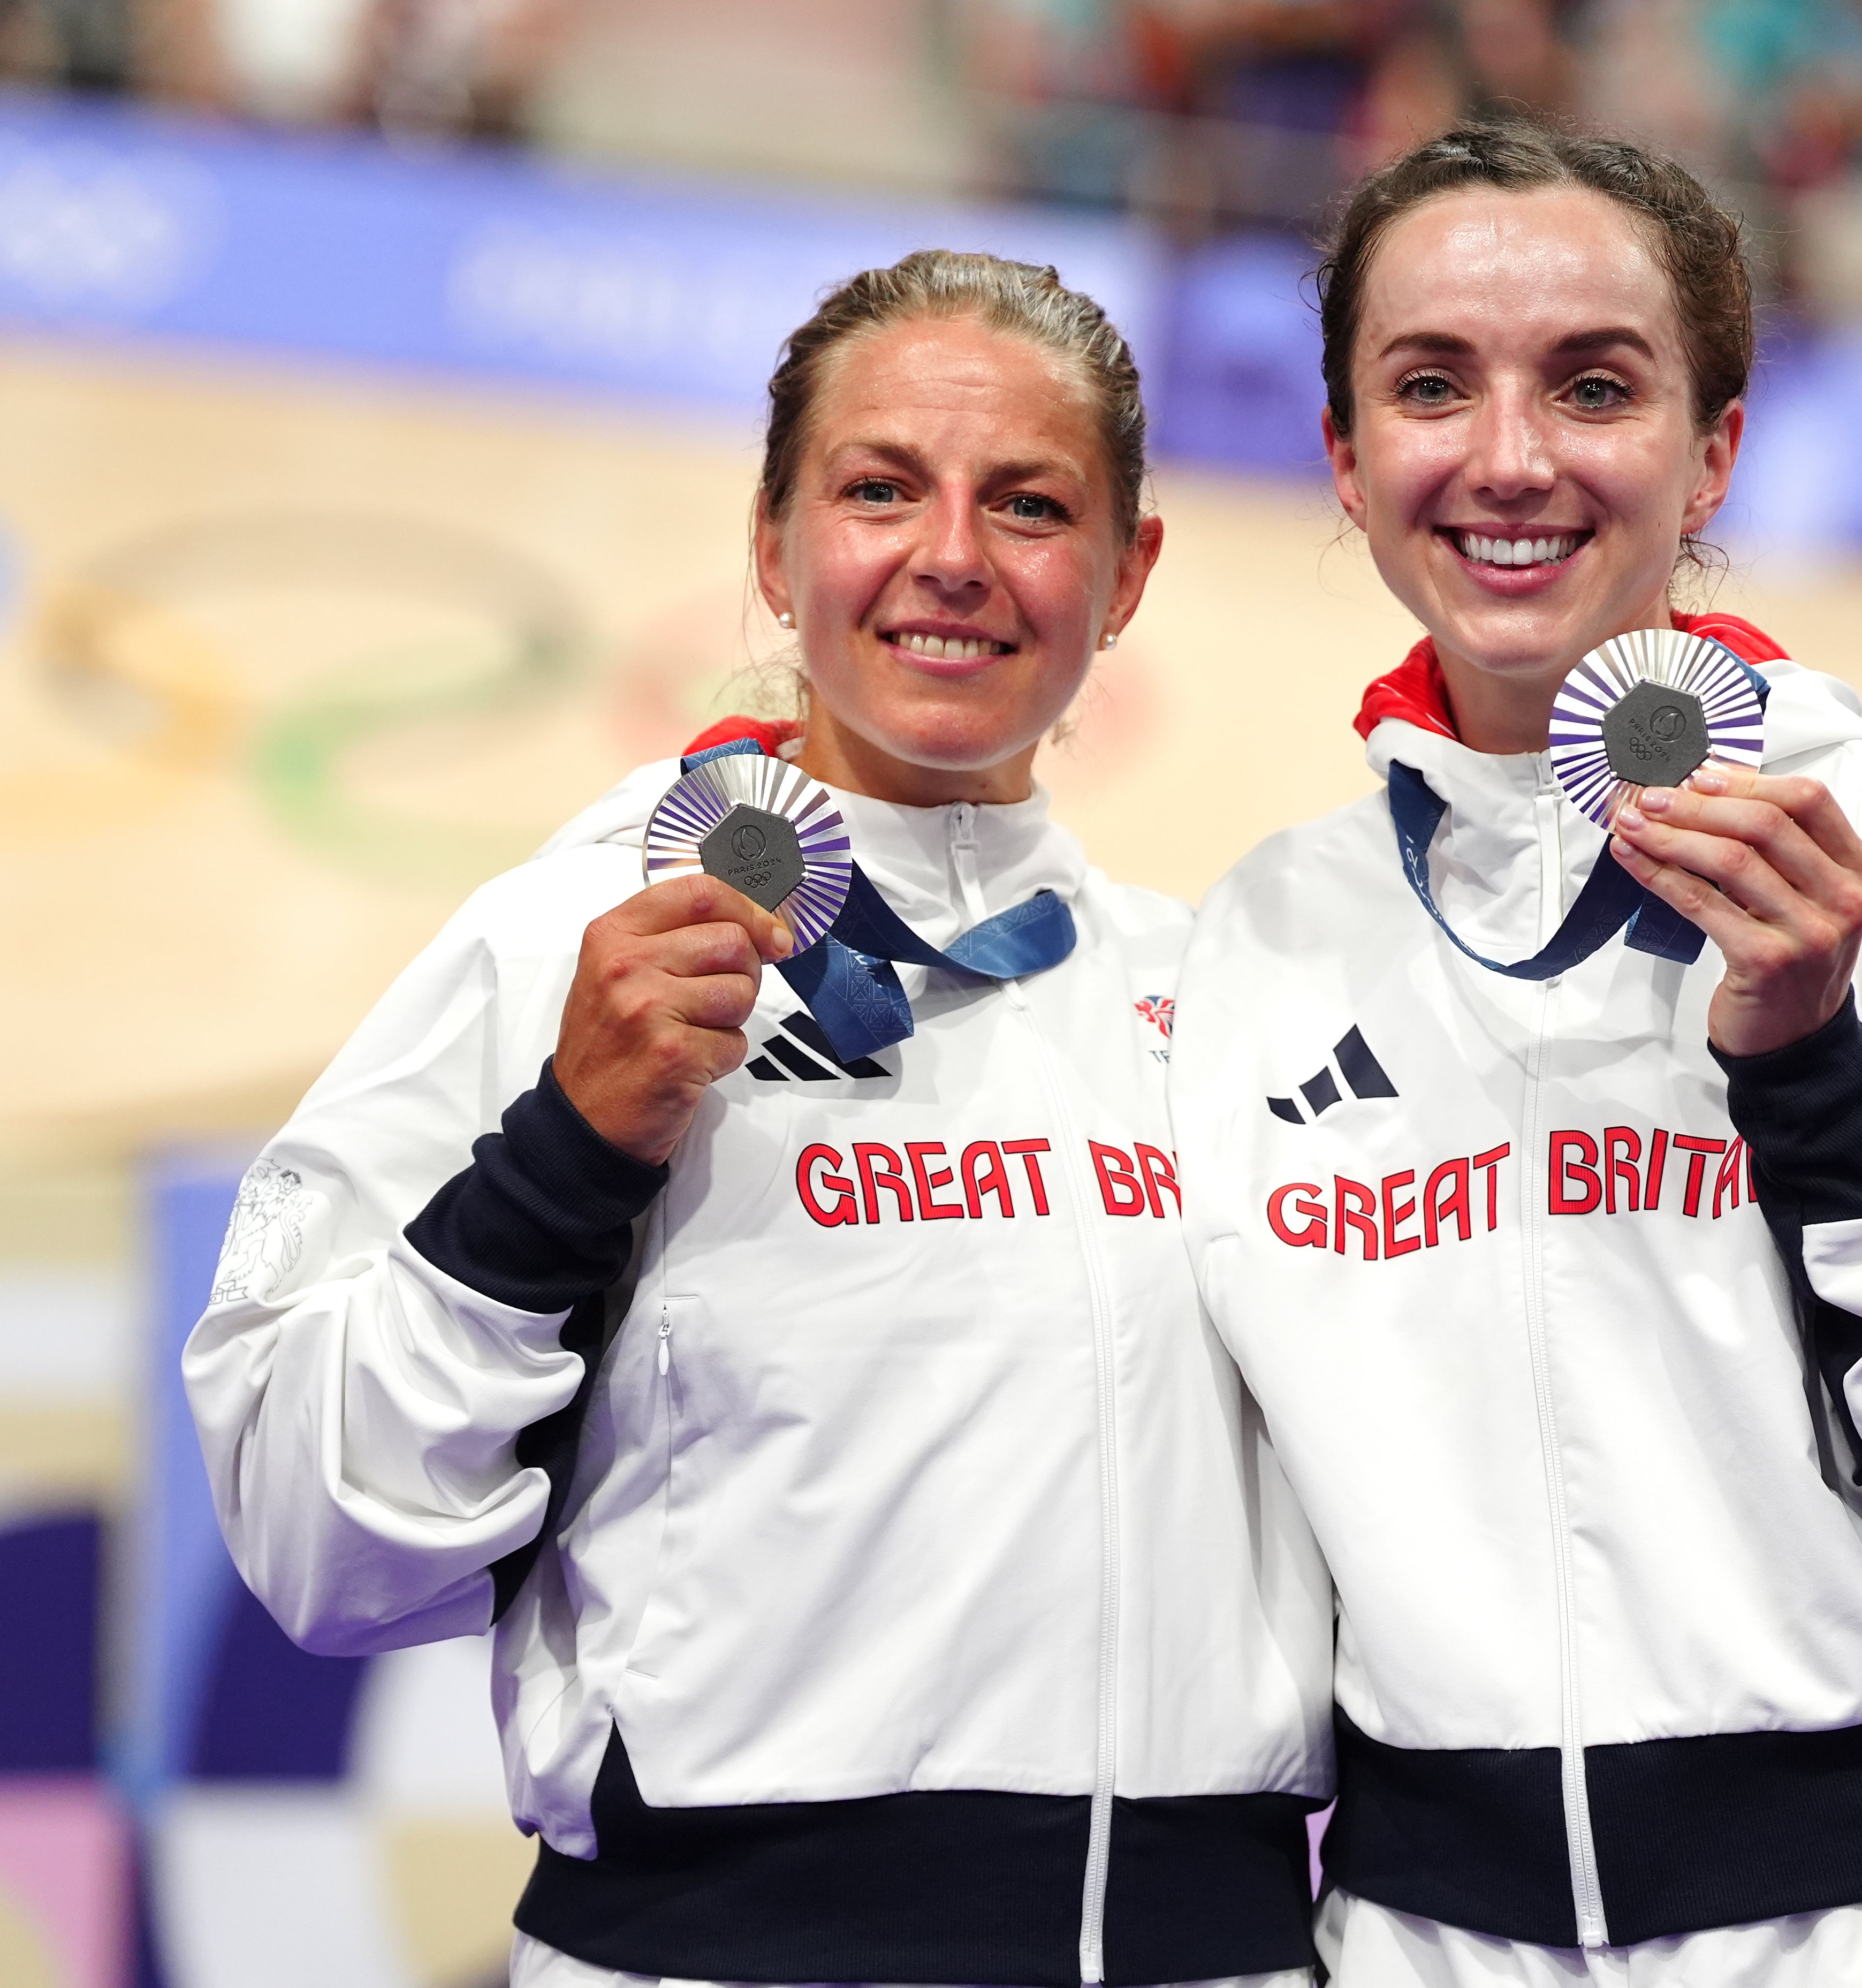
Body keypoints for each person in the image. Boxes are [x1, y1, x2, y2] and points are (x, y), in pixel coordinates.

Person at [185, 249, 1329, 1988]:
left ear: (1128, 573)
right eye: (880, 488)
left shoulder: (1212, 996)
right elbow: (311, 1532)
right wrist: (561, 1155)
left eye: (1029, 503)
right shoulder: (566, 949)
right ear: (772, 547)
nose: (952, 554)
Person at [1172, 120, 1862, 1984]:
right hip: (1426, 1941)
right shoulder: (1264, 935)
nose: (1509, 458)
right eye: (1431, 385)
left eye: (1593, 386)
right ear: (1343, 453)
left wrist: (1824, 1085)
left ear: (1711, 448)